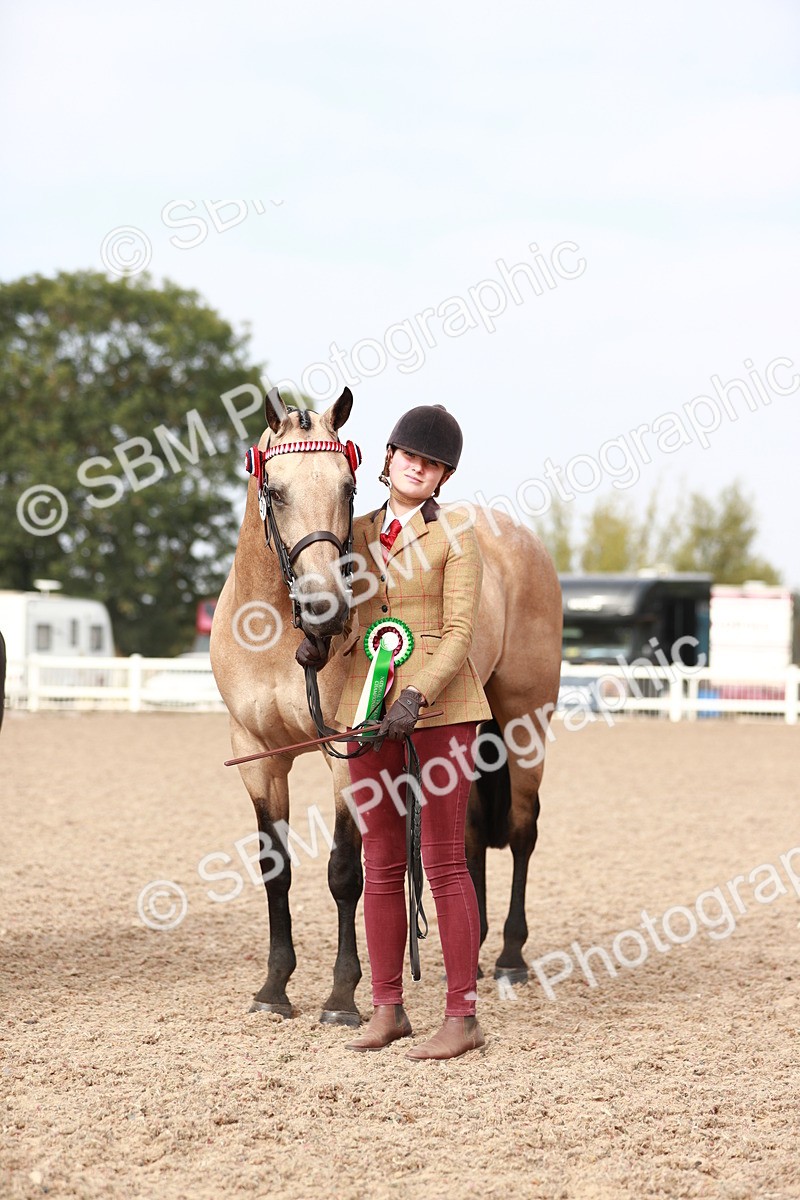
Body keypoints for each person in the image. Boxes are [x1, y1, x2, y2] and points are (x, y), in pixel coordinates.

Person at [296, 404, 491, 1060]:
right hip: (366, 708)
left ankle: (462, 1016)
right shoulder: (351, 535)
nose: (418, 465)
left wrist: (415, 694)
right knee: (380, 858)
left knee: (442, 859)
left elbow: (460, 632)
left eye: (432, 462)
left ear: (442, 478)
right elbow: (350, 621)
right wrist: (321, 649)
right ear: (387, 458)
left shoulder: (457, 537)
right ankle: (387, 1008)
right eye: (410, 453)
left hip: (441, 712)